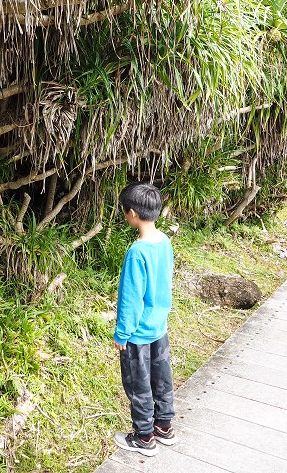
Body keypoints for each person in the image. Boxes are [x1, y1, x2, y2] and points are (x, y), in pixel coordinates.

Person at [112, 182, 177, 457]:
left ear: (132, 214)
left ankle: (144, 437)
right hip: (159, 327)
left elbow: (131, 298)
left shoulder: (136, 251)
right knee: (162, 379)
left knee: (139, 384)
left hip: (138, 334)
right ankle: (164, 426)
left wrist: (121, 334)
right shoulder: (164, 241)